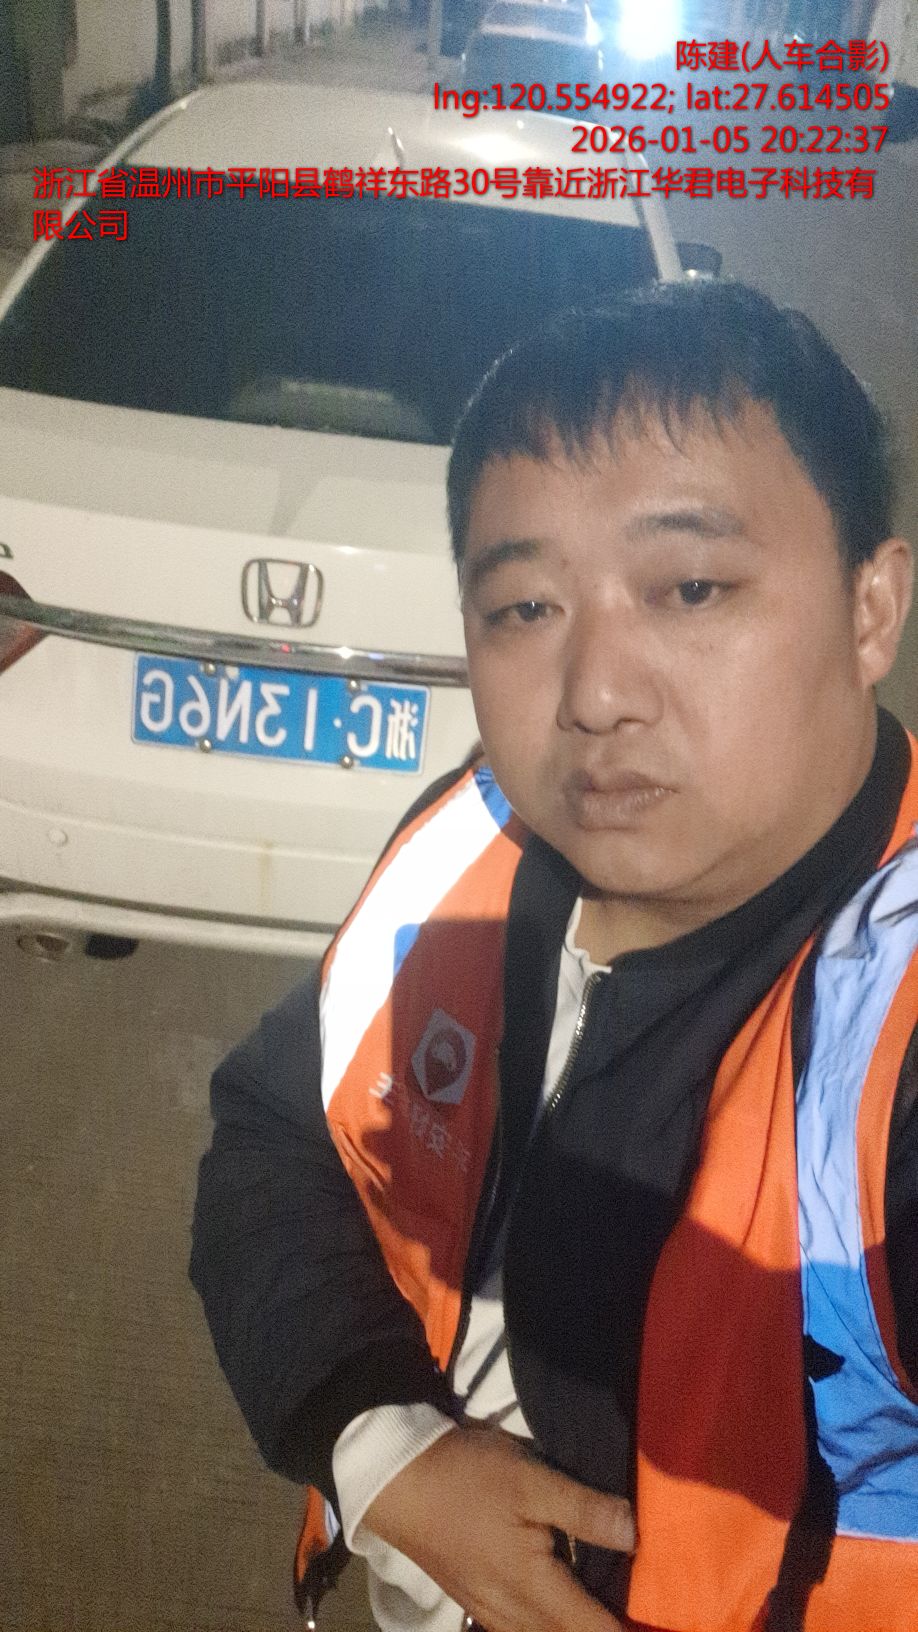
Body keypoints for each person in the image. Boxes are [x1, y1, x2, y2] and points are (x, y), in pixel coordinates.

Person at [190, 281, 918, 1632]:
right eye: (524, 608)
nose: (594, 694)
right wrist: (381, 1450)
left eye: (690, 588)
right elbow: (275, 1137)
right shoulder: (468, 843)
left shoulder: (892, 1031)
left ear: (871, 608)